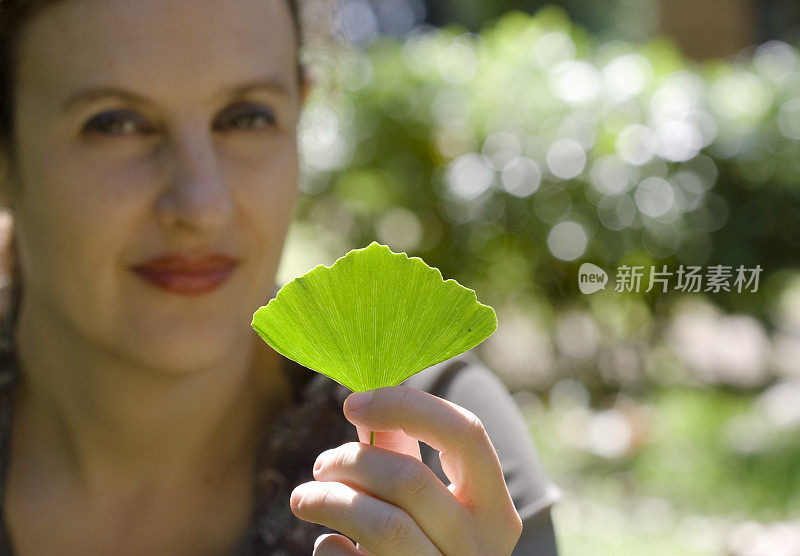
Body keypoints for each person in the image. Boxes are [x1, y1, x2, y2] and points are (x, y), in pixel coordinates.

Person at [0, 0, 559, 554]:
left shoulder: (442, 453)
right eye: (115, 124)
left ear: (300, 115)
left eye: (247, 117)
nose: (203, 205)